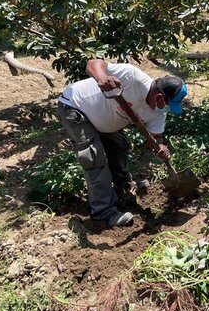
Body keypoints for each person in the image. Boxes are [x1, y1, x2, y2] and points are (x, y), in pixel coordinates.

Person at [56, 59, 187, 228]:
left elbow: (156, 138)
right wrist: (102, 77)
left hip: (104, 120)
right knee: (94, 158)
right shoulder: (132, 76)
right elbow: (93, 62)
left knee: (120, 146)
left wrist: (160, 146)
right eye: (169, 105)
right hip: (76, 107)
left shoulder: (159, 112)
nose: (167, 110)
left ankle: (123, 188)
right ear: (160, 97)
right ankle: (102, 213)